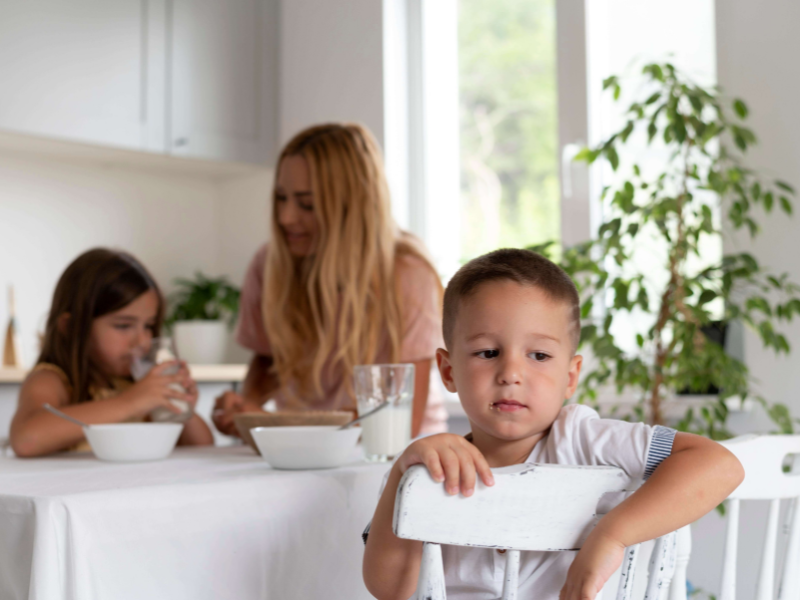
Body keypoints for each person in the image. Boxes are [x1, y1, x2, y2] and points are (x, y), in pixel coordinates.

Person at [362, 248, 744, 600]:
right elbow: (389, 589)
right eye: (488, 352)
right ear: (448, 371)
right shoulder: (430, 472)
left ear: (570, 376)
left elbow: (720, 464)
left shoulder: (584, 439)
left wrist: (610, 536)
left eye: (539, 355)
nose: (511, 373)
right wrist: (402, 472)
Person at [213, 123, 446, 438]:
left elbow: (399, 422)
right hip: (305, 449)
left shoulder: (407, 273)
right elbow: (269, 358)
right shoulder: (269, 264)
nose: (285, 217)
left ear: (353, 205)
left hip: (400, 454)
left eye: (307, 204)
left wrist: (283, 424)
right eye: (281, 198)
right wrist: (245, 406)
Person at [9, 248, 214, 457]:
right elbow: (26, 440)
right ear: (71, 328)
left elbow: (203, 448)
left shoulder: (139, 383)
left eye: (149, 326)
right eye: (123, 326)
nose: (143, 341)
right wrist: (131, 402)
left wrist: (181, 407)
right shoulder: (52, 381)